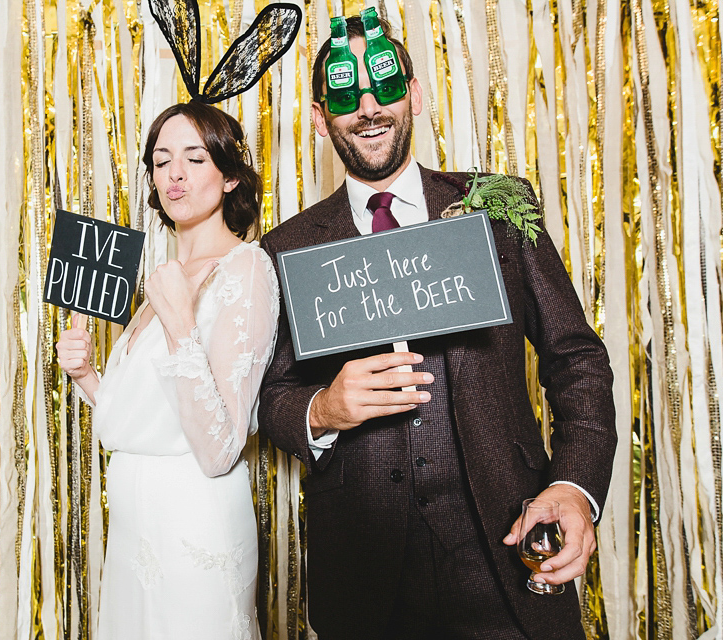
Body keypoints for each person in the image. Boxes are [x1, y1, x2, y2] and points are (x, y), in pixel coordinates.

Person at [258, 15, 617, 640]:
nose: (368, 109)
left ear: (415, 96)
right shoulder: (286, 249)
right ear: (321, 119)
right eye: (346, 97)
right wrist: (320, 409)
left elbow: (576, 358)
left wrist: (574, 486)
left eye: (385, 86)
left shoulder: (499, 205)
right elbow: (266, 394)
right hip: (365, 582)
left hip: (511, 550)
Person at [56, 102, 279, 640]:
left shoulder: (245, 269)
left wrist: (180, 320)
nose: (174, 173)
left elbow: (219, 446)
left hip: (193, 525)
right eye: (161, 161)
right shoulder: (167, 278)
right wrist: (87, 376)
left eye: (195, 158)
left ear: (229, 176)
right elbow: (154, 417)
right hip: (136, 522)